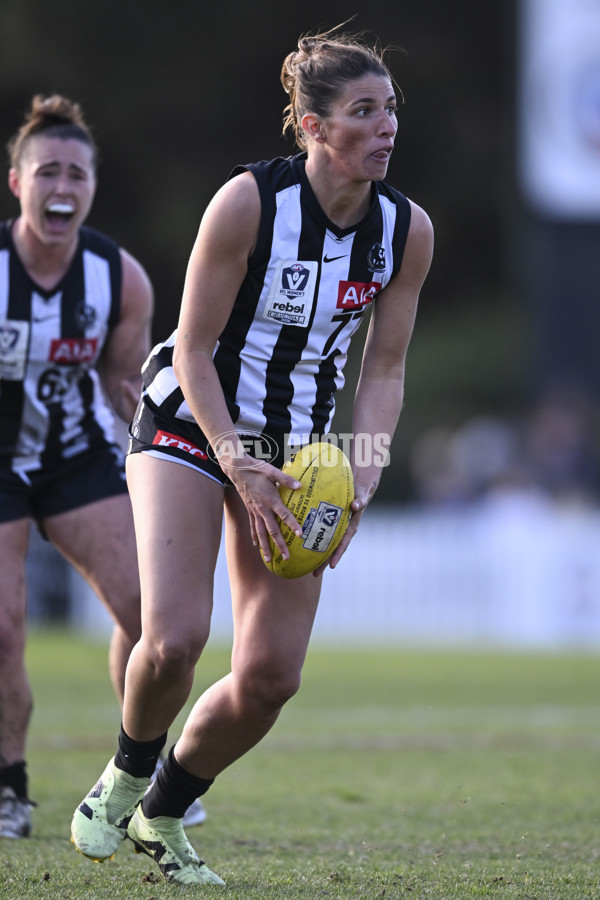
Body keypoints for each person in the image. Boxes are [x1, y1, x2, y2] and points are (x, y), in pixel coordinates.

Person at [71, 25, 434, 886]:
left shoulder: (405, 230)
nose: (386, 129)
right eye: (363, 112)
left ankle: (162, 814)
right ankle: (121, 780)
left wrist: (364, 475)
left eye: (391, 111)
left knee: (271, 676)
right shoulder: (247, 204)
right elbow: (193, 349)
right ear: (312, 127)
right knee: (175, 641)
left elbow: (385, 368)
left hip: (300, 446)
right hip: (191, 425)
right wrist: (238, 465)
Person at [0, 94, 205, 839]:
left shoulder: (119, 277)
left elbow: (127, 388)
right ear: (17, 183)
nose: (63, 187)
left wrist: (164, 465)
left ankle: (137, 768)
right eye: (47, 171)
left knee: (152, 618)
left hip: (72, 457)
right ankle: (10, 788)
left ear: (92, 186)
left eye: (77, 175)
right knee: (4, 629)